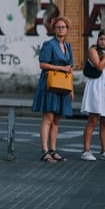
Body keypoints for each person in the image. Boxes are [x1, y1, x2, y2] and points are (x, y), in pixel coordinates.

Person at [33, 16, 74, 162]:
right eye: (58, 27)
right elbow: (42, 64)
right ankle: (45, 151)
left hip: (63, 85)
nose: (61, 29)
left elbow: (70, 69)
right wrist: (60, 68)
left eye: (63, 27)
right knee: (48, 118)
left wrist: (71, 89)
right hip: (49, 84)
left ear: (67, 29)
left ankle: (53, 150)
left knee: (57, 119)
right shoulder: (49, 44)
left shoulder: (68, 46)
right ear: (54, 29)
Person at [80, 30, 105, 161]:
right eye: (101, 39)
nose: (103, 42)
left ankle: (104, 151)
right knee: (93, 120)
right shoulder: (93, 50)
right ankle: (86, 150)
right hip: (96, 88)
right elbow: (99, 67)